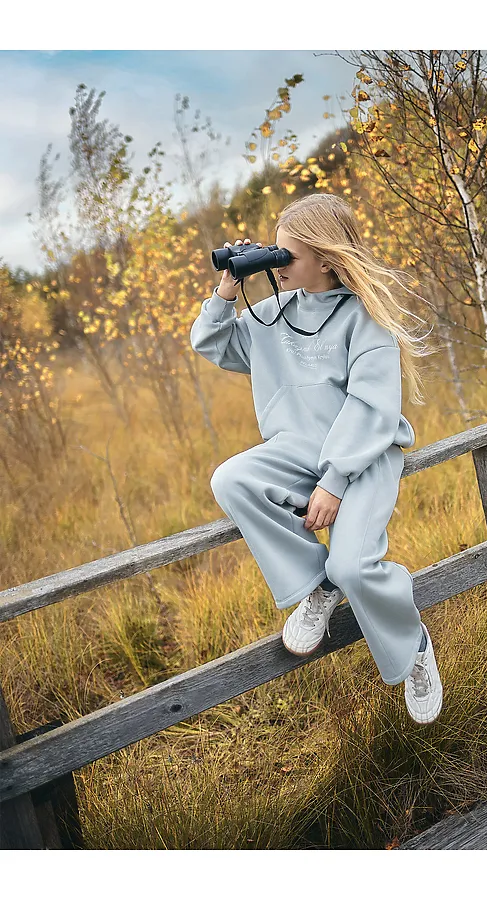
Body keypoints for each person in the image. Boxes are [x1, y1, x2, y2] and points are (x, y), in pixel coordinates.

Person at [190, 193, 443, 724]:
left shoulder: (363, 318)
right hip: (294, 452)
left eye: (289, 256)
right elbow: (212, 344)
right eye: (273, 253)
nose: (278, 264)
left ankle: (412, 646)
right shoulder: (269, 316)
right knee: (231, 478)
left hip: (362, 457)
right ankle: (316, 586)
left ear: (326, 259)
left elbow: (372, 405)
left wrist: (334, 480)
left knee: (353, 564)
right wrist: (226, 290)